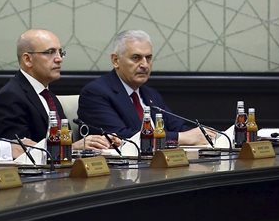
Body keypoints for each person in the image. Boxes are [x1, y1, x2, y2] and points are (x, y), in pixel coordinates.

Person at [78, 29, 211, 145]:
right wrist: (181, 138)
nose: (145, 65)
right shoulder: (96, 93)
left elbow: (178, 127)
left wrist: (204, 135)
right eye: (136, 58)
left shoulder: (150, 94)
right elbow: (120, 136)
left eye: (148, 58)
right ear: (115, 60)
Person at [0, 29, 111, 151]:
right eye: (50, 52)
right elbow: (20, 153)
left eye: (60, 52)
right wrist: (72, 148)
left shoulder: (48, 96)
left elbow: (64, 141)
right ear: (27, 59)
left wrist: (100, 143)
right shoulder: (10, 97)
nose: (59, 59)